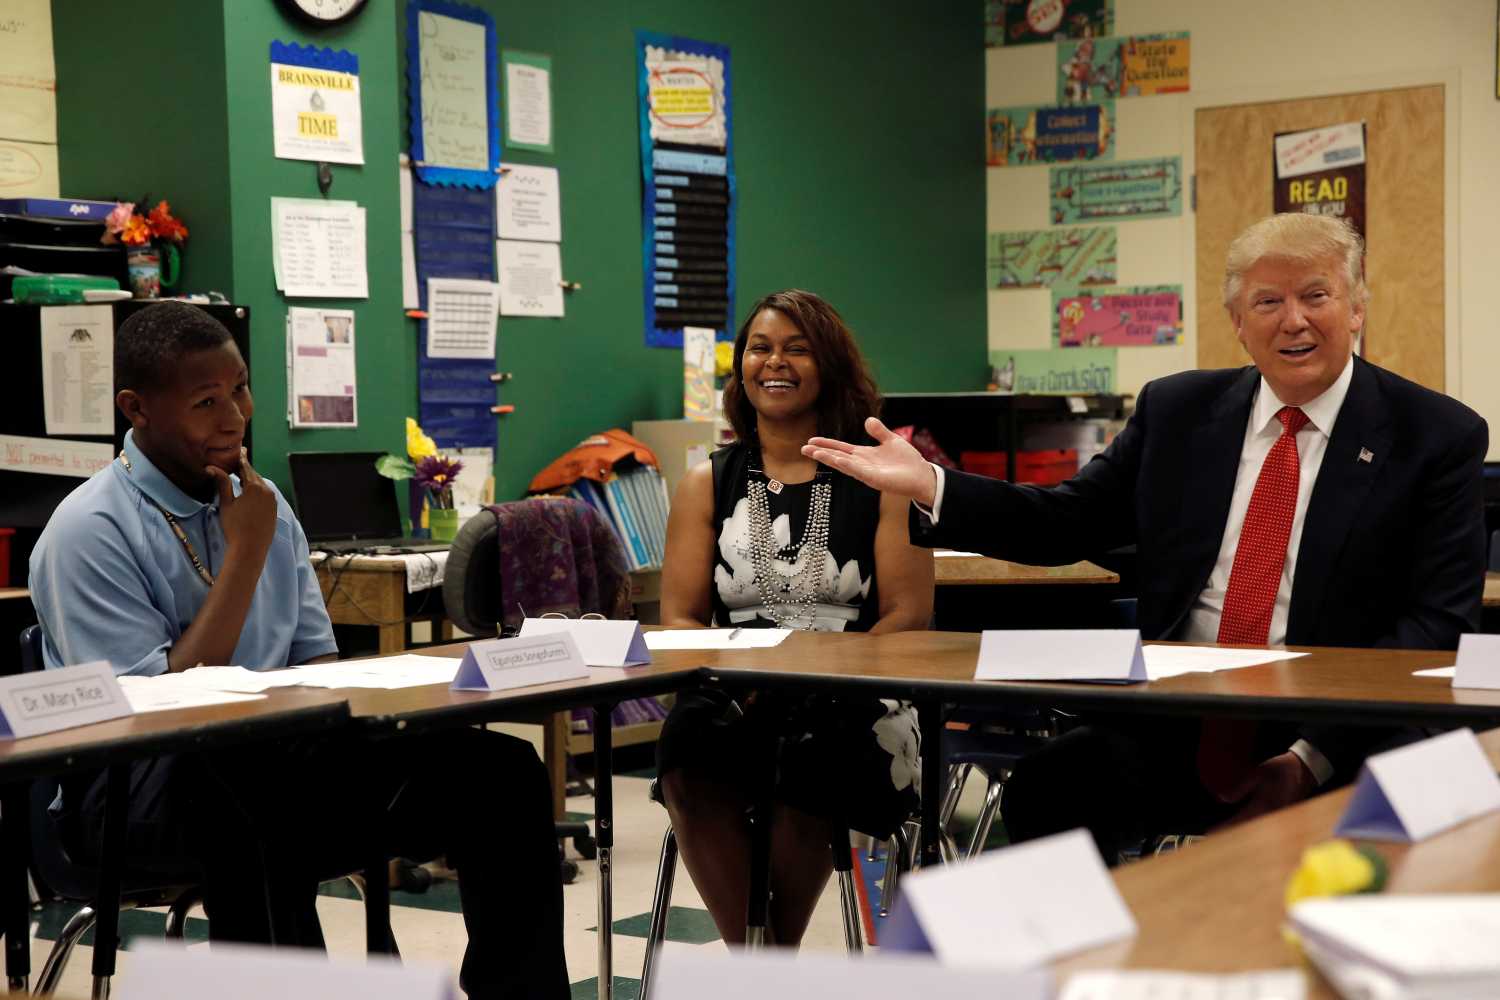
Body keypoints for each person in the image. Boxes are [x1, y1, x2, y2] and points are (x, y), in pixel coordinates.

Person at [803, 214, 1488, 860]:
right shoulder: (1179, 412)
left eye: (1317, 296)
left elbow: (1434, 622)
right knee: (1050, 788)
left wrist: (1310, 758)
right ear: (1238, 323)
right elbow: (1065, 520)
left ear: (1357, 309)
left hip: (1340, 725)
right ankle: (1092, 976)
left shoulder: (1434, 435)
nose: (1295, 320)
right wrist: (930, 484)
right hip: (1186, 711)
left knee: (1406, 809)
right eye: (1268, 302)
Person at [29, 301, 567, 998]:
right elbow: (152, 716)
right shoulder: (88, 530)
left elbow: (317, 669)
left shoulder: (262, 502)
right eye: (205, 401)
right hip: (132, 791)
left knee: (499, 771)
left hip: (278, 758)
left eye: (241, 389)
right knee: (250, 797)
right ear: (138, 409)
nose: (234, 417)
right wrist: (246, 550)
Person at [657, 289, 934, 944]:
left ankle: (765, 966)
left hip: (857, 693)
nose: (774, 362)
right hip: (734, 687)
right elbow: (679, 618)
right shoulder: (707, 481)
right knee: (686, 752)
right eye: (760, 348)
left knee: (809, 751)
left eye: (796, 349)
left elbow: (908, 616)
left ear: (829, 366)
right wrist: (740, 672)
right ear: (742, 367)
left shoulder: (885, 480)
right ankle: (762, 963)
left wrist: (815, 671)